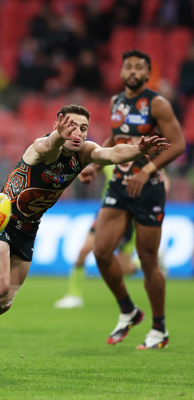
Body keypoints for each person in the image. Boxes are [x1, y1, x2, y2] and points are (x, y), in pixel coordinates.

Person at [0, 104, 170, 372]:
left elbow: (110, 153)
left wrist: (139, 150)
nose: (78, 133)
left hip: (28, 230)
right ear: (58, 125)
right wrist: (58, 136)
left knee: (2, 304)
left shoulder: (84, 152)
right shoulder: (41, 147)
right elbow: (50, 147)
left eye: (83, 129)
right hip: (0, 220)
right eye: (71, 126)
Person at [82, 49, 185, 349]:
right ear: (122, 71)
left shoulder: (157, 103)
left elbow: (178, 144)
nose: (133, 71)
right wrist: (95, 164)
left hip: (148, 187)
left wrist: (149, 169)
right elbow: (115, 140)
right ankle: (128, 310)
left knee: (148, 259)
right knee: (101, 252)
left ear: (147, 73)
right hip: (119, 185)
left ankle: (159, 328)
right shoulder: (116, 102)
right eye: (129, 66)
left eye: (140, 67)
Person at [54, 165, 139, 309]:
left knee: (125, 269)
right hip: (105, 213)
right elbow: (92, 165)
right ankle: (74, 296)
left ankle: (142, 262)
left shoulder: (142, 161)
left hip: (128, 218)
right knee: (83, 251)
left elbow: (163, 180)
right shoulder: (113, 158)